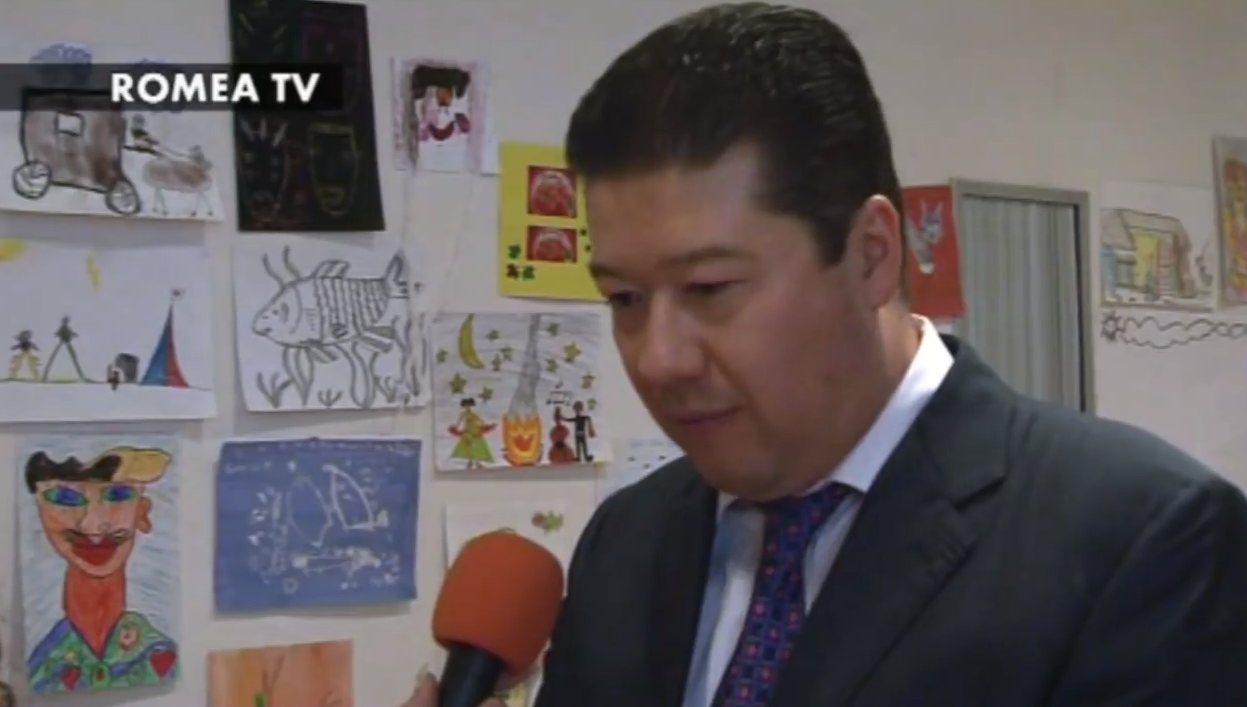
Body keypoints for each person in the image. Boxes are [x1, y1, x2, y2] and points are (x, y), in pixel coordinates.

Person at [406, 3, 1247, 706]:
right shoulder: (626, 540)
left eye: (709, 288)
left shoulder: (1141, 538)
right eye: (625, 299)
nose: (657, 359)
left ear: (871, 254)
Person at [24, 444, 179, 693]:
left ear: (142, 512)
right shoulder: (42, 666)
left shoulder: (158, 652)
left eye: (117, 495)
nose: (92, 525)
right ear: (41, 512)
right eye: (65, 498)